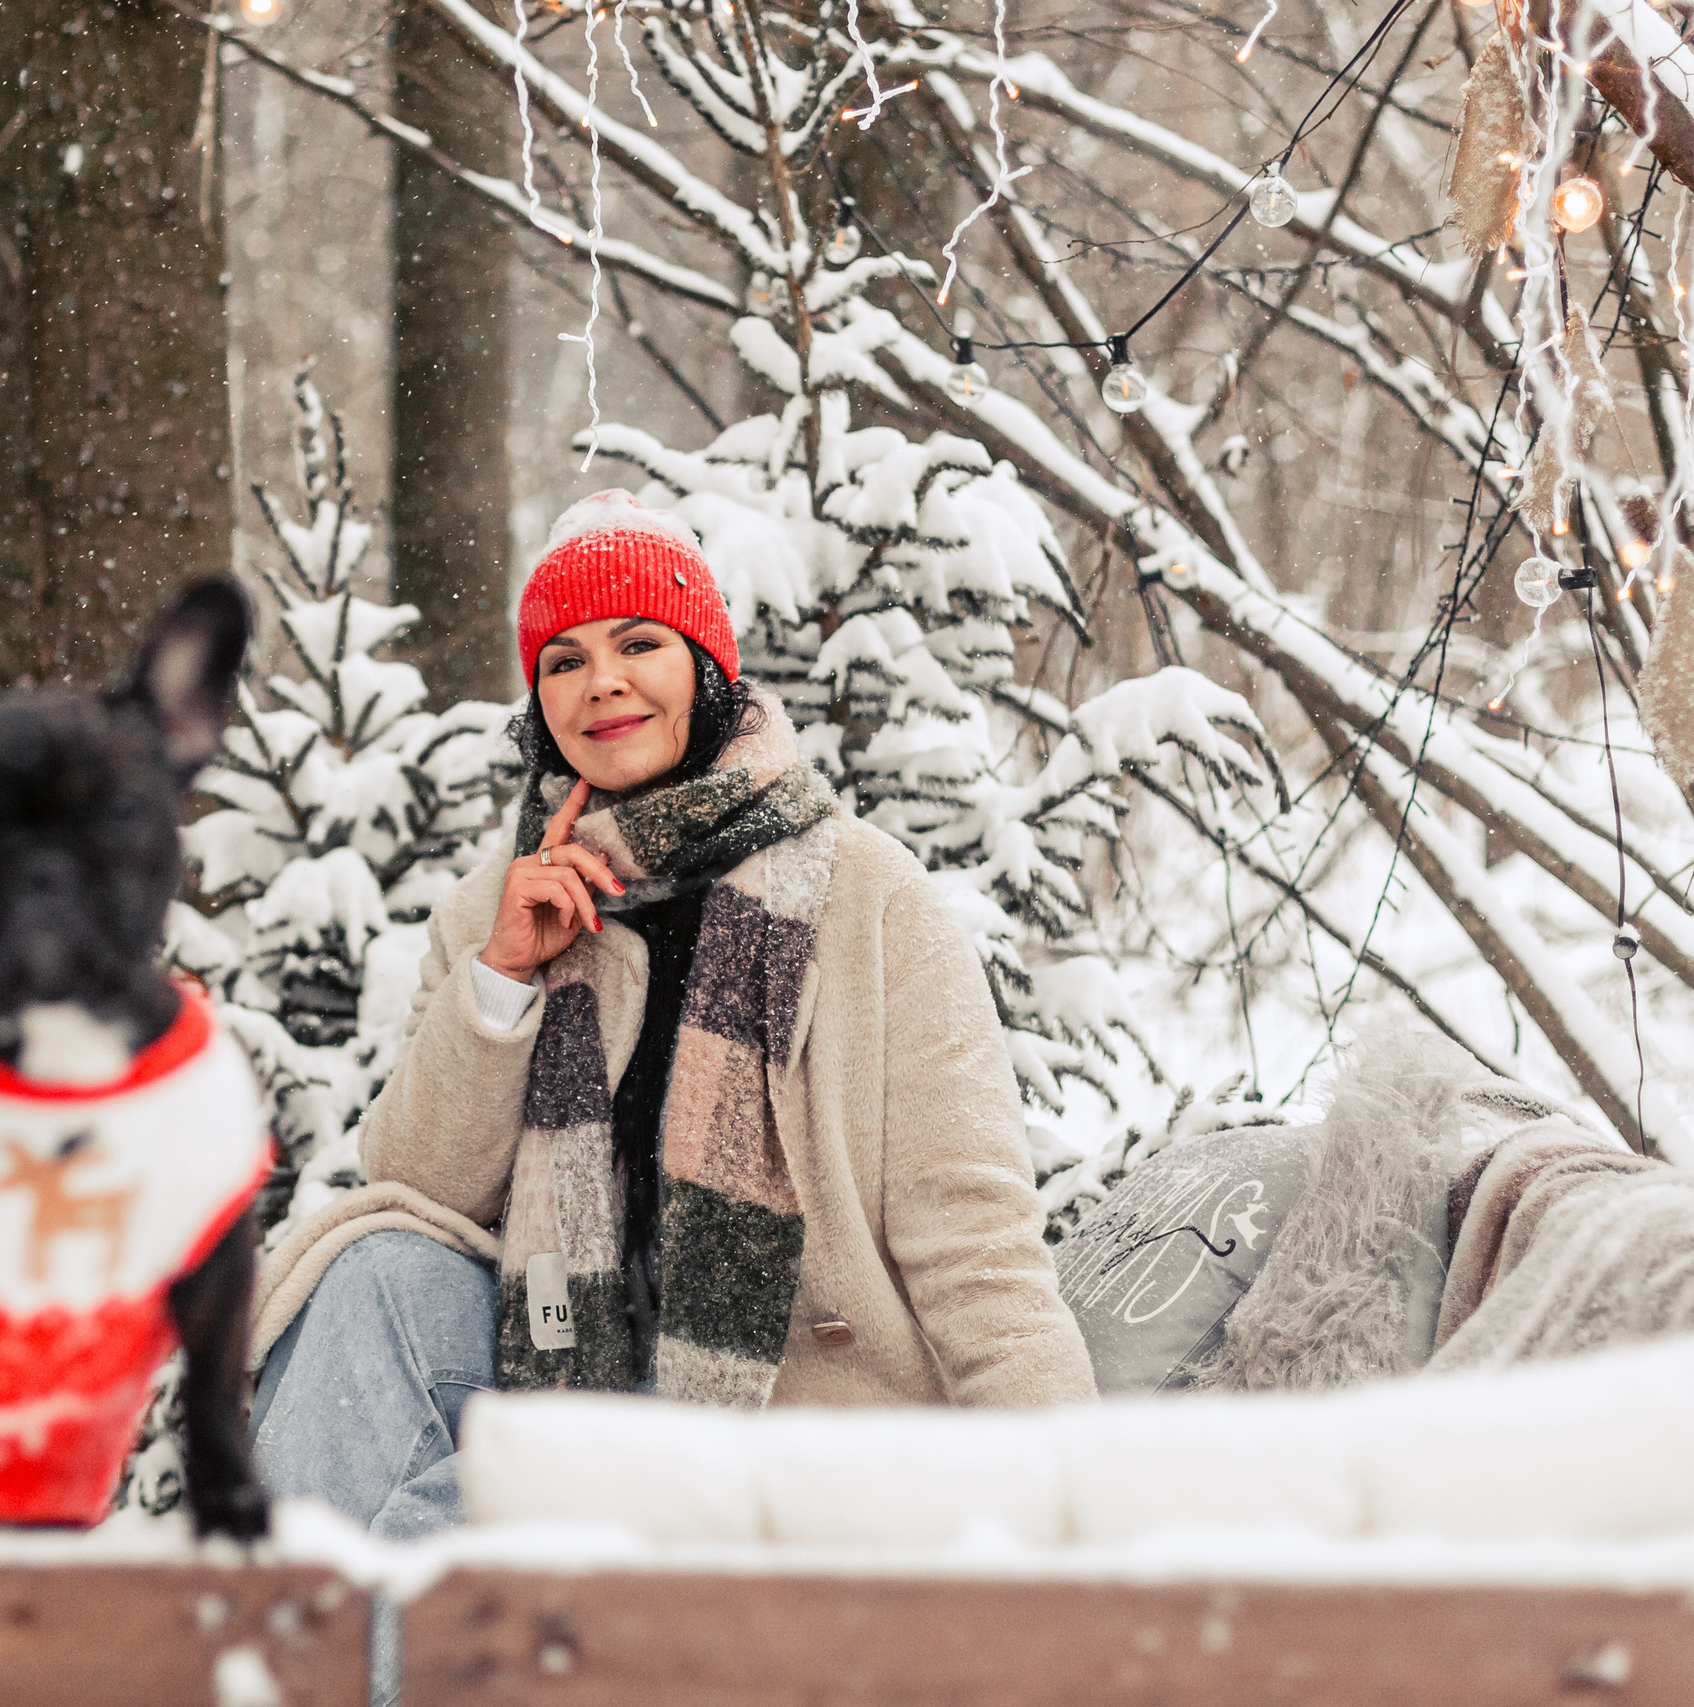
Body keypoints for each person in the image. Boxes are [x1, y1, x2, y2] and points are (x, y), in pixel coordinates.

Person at [248, 491, 1095, 1543]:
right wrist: (504, 976)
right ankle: (329, 1598)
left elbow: (977, 1248)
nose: (601, 680)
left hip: (782, 1424)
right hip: (564, 1367)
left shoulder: (867, 898)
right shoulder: (500, 904)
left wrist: (1076, 1521)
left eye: (638, 643)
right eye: (564, 659)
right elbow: (417, 1187)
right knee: (372, 1270)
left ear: (703, 667)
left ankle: (329, 1609)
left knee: (447, 1524)